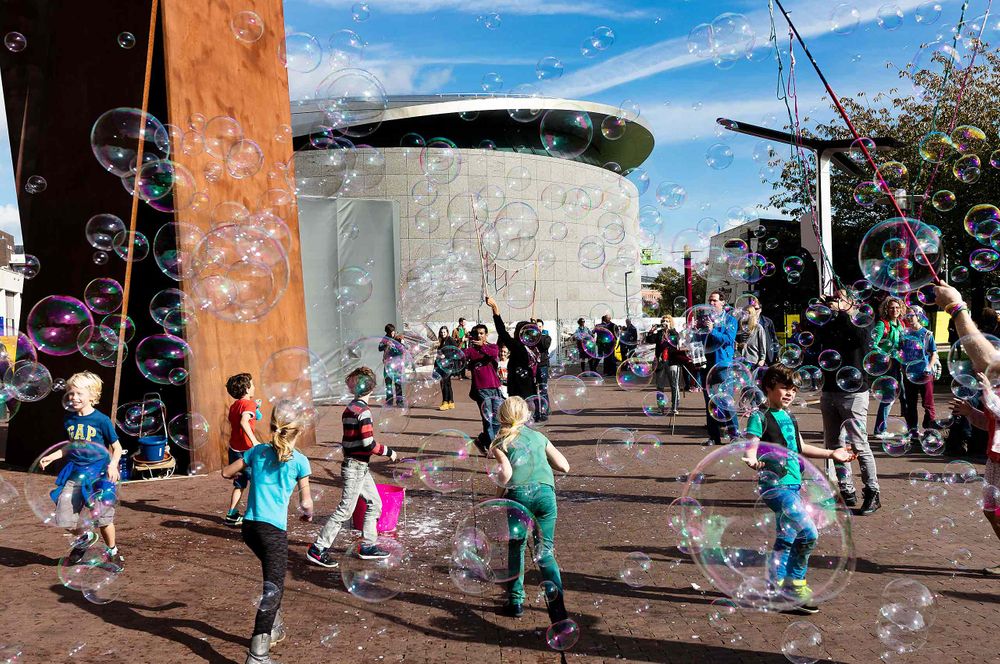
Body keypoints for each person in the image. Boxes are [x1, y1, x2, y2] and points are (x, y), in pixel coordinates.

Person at [742, 364, 857, 613]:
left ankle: (775, 589)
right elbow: (751, 444)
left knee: (787, 537)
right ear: (768, 388)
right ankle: (794, 587)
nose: (789, 393)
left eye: (793, 389)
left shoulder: (790, 417)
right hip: (775, 485)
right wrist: (752, 458)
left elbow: (800, 446)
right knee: (809, 533)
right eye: (784, 387)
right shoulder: (759, 415)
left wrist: (832, 453)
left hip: (793, 484)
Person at [222, 405, 312, 664]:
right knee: (273, 589)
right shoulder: (300, 461)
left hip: (250, 528)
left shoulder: (257, 451)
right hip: (273, 532)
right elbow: (306, 503)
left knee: (272, 580)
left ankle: (272, 627)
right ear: (299, 430)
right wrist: (307, 514)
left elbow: (226, 472)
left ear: (272, 426)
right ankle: (258, 655)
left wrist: (251, 467)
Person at [489, 396, 570, 621]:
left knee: (516, 547)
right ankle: (558, 610)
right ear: (526, 415)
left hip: (519, 496)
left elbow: (505, 474)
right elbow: (564, 466)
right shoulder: (539, 437)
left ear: (501, 417)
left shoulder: (500, 441)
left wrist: (497, 496)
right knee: (545, 552)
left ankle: (515, 602)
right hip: (545, 496)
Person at [307, 367, 398, 568]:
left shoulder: (350, 408)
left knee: (375, 503)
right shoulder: (364, 412)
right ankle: (318, 548)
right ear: (372, 388)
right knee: (345, 511)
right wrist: (388, 452)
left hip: (358, 466)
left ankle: (368, 546)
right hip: (356, 467)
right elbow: (369, 444)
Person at [39, 371, 125, 568]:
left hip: (100, 475)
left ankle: (112, 551)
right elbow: (70, 445)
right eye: (70, 393)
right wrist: (52, 456)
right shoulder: (69, 420)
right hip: (76, 473)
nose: (74, 397)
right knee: (64, 516)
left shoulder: (101, 420)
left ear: (92, 396)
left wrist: (113, 465)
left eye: (79, 393)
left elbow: (118, 447)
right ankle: (85, 538)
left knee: (104, 519)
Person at [808, 291, 882, 515]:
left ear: (851, 301)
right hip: (830, 389)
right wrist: (822, 311)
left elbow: (861, 340)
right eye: (834, 298)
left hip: (854, 390)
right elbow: (815, 338)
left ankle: (872, 492)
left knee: (859, 444)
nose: (835, 301)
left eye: (840, 297)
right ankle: (846, 489)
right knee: (833, 444)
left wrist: (847, 312)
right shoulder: (830, 321)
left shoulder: (861, 319)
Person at [949, 371, 1000, 577]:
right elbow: (991, 425)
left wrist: (987, 389)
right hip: (995, 460)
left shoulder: (992, 393)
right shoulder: (995, 391)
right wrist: (970, 412)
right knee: (991, 511)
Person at [224, 372, 262, 527]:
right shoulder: (248, 404)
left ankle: (231, 514)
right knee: (258, 483)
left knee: (240, 483)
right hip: (247, 450)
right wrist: (255, 442)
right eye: (252, 384)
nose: (254, 387)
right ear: (246, 388)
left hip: (234, 449)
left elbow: (255, 417)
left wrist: (256, 407)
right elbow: (244, 421)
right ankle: (257, 516)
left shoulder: (235, 405)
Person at [701, 291, 739, 445]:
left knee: (726, 401)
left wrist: (713, 330)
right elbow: (700, 341)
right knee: (710, 402)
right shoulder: (705, 320)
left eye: (714, 301)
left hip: (723, 365)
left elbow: (729, 339)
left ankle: (734, 435)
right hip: (706, 363)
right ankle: (713, 437)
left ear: (723, 302)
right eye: (710, 300)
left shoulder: (730, 320)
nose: (711, 303)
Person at [485, 296, 538, 401]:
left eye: (516, 330)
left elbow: (502, 333)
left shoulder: (519, 347)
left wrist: (495, 308)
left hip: (519, 391)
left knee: (518, 415)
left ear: (520, 333)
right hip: (528, 388)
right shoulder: (531, 347)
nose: (513, 333)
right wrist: (533, 326)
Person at [464, 322, 503, 454]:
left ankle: (482, 439)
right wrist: (464, 342)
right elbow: (461, 355)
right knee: (488, 419)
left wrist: (482, 347)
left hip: (495, 387)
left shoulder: (492, 347)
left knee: (498, 418)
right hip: (481, 388)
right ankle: (493, 448)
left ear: (486, 335)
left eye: (482, 333)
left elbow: (493, 354)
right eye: (476, 334)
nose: (479, 336)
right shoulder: (471, 351)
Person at [899, 308, 940, 436]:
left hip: (925, 374)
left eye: (912, 315)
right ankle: (913, 430)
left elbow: (934, 354)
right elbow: (901, 353)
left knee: (928, 403)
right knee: (910, 404)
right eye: (908, 315)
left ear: (918, 316)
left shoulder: (927, 334)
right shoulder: (904, 334)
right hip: (909, 374)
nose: (909, 318)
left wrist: (929, 366)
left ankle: (929, 429)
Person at [872, 296, 907, 435]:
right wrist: (886, 354)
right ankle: (880, 430)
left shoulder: (901, 324)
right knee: (888, 397)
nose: (895, 310)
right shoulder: (883, 325)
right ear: (886, 309)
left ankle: (911, 428)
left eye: (897, 307)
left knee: (904, 395)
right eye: (892, 307)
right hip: (888, 365)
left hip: (899, 364)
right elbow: (873, 344)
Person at [646, 316, 680, 415]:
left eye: (667, 321)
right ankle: (661, 407)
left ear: (671, 322)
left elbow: (676, 341)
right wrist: (651, 331)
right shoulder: (660, 333)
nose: (664, 322)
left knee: (674, 385)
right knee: (660, 386)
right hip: (660, 362)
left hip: (672, 361)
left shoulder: (674, 332)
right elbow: (650, 340)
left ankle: (674, 407)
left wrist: (670, 329)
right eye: (663, 321)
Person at [378, 324, 406, 407]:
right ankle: (389, 401)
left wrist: (402, 343)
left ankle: (399, 401)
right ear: (387, 332)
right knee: (388, 384)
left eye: (393, 332)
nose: (393, 333)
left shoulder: (398, 337)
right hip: (388, 364)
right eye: (391, 332)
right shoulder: (385, 339)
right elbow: (379, 348)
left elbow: (404, 348)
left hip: (397, 364)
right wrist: (386, 344)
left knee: (398, 383)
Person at [534, 319, 552, 422]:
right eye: (536, 326)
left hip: (542, 365)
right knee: (533, 390)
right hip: (532, 366)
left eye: (539, 326)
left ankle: (544, 411)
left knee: (542, 389)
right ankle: (536, 412)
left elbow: (544, 345)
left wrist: (537, 335)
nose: (538, 328)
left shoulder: (546, 338)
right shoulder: (529, 337)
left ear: (542, 327)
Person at [435, 326, 457, 410]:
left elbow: (456, 351)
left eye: (444, 332)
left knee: (445, 383)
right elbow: (439, 354)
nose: (442, 334)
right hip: (441, 365)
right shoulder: (441, 341)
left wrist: (446, 355)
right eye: (441, 332)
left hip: (448, 365)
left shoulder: (450, 340)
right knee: (447, 383)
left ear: (447, 332)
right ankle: (451, 401)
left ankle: (445, 402)